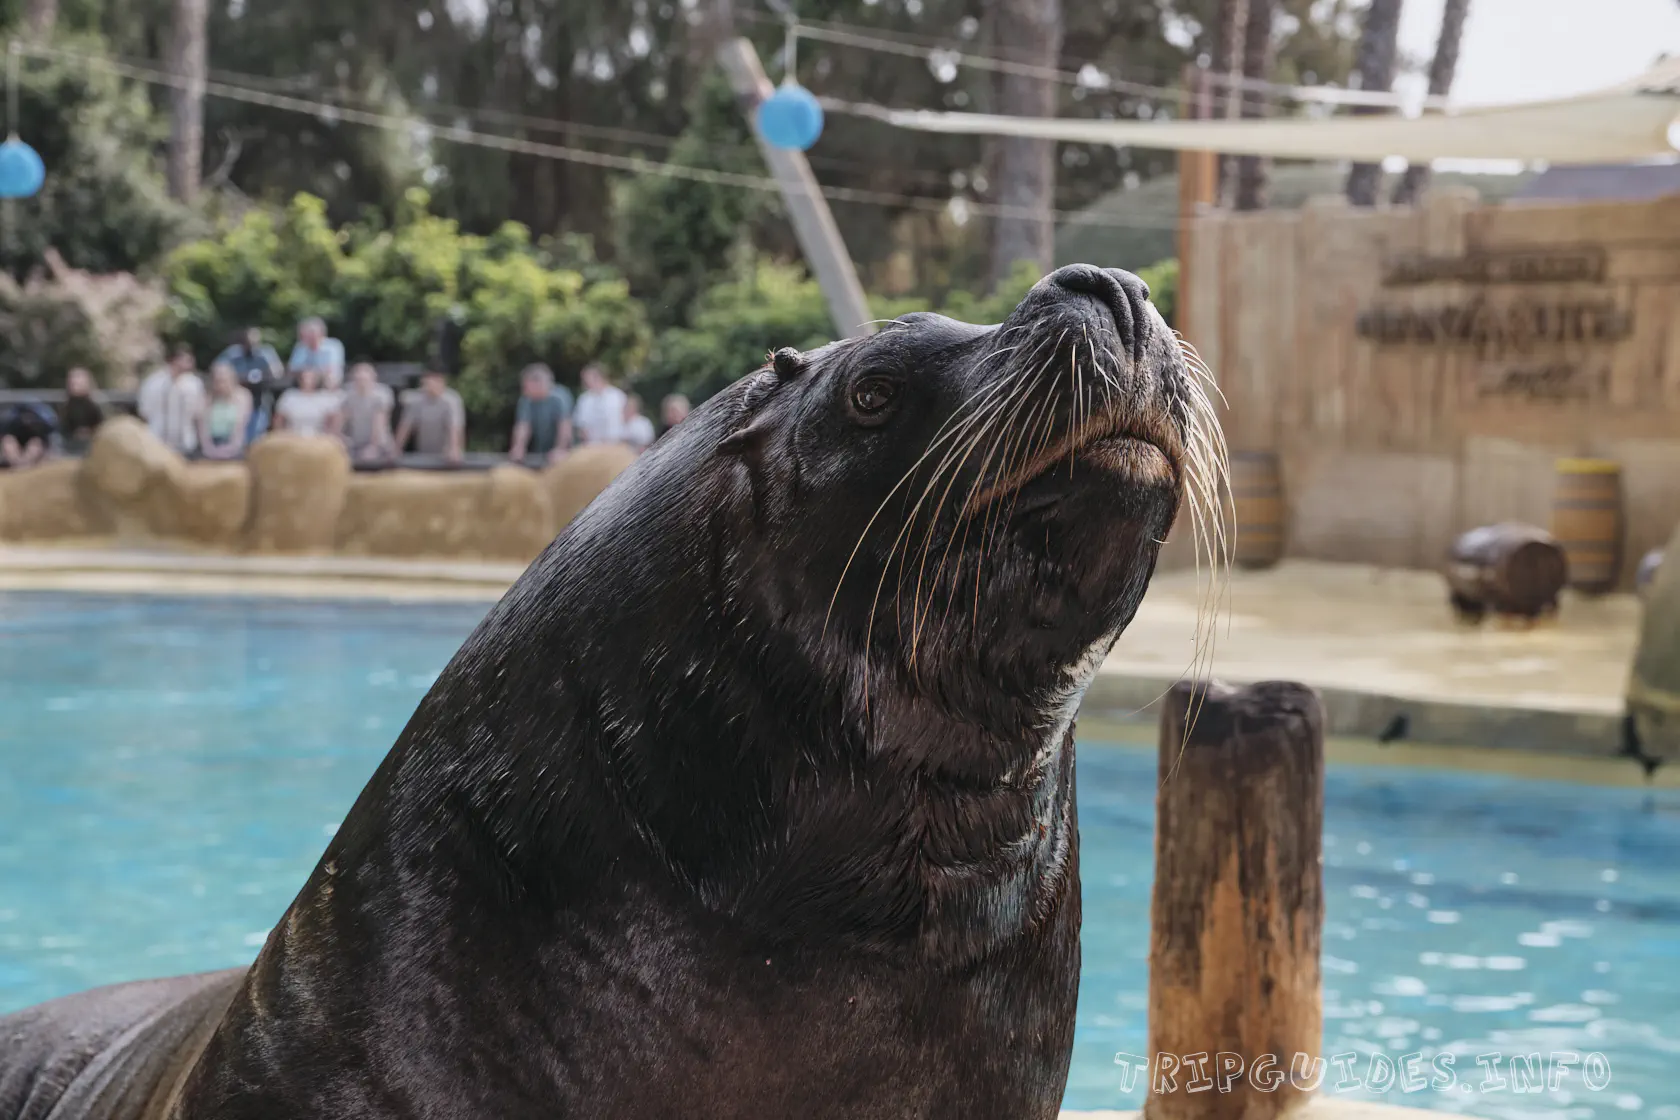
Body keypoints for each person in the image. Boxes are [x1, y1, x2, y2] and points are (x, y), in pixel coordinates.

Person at [137, 344, 207, 455]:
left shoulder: (194, 384)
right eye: (186, 359)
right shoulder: (153, 382)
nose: (191, 363)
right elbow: (145, 413)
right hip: (157, 442)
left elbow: (198, 415)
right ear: (175, 360)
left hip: (186, 443)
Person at [216, 327, 284, 440]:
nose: (252, 345)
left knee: (257, 432)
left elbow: (277, 373)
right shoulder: (233, 353)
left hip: (259, 398)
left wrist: (260, 376)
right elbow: (218, 369)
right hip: (236, 398)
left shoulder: (266, 352)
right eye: (248, 342)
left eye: (255, 342)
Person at [393, 369, 465, 465]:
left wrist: (454, 449)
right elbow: (406, 426)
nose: (428, 387)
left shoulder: (451, 400)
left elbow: (455, 427)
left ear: (441, 383)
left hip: (446, 455)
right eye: (426, 384)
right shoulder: (416, 401)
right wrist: (396, 449)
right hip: (424, 453)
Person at [507, 363, 574, 465]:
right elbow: (523, 426)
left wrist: (560, 449)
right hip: (542, 451)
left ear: (537, 383)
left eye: (526, 386)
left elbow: (565, 427)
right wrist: (518, 447)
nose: (524, 390)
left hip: (569, 452)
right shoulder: (526, 400)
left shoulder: (560, 398)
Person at [340, 362, 395, 464]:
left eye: (364, 380)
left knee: (369, 458)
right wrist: (338, 438)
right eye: (357, 380)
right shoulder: (348, 395)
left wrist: (373, 446)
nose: (360, 383)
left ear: (373, 379)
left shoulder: (382, 394)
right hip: (356, 443)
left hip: (379, 444)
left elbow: (379, 423)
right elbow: (341, 419)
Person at [198, 362, 254, 460]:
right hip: (209, 451)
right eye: (217, 381)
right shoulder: (206, 399)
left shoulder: (243, 396)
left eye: (223, 381)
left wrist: (229, 450)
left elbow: (240, 427)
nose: (220, 384)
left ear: (232, 379)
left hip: (235, 451)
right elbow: (202, 427)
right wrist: (209, 450)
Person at [273, 365, 343, 438]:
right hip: (292, 436)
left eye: (311, 378)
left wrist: (330, 435)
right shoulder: (289, 396)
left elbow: (335, 418)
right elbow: (278, 419)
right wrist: (281, 435)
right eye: (305, 377)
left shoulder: (325, 397)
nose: (307, 381)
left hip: (319, 437)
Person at [572, 364, 626, 445]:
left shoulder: (617, 396)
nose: (585, 383)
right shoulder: (584, 399)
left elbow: (626, 420)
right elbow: (581, 426)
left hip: (615, 444)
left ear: (599, 377)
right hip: (592, 445)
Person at [287, 316, 346, 390]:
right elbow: (293, 368)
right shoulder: (300, 347)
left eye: (309, 333)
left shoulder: (333, 346)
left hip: (328, 381)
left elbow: (333, 368)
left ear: (320, 333)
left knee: (330, 379)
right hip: (305, 381)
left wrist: (313, 372)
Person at [0, 399, 58, 469]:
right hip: (15, 456)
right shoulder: (11, 423)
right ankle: (17, 465)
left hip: (31, 459)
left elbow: (46, 444)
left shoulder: (41, 424)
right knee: (8, 440)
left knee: (35, 442)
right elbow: (5, 440)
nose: (28, 419)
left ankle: (24, 466)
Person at [60, 367, 106, 452]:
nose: (74, 382)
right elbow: (64, 427)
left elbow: (104, 425)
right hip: (71, 445)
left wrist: (90, 432)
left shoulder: (96, 404)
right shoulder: (67, 405)